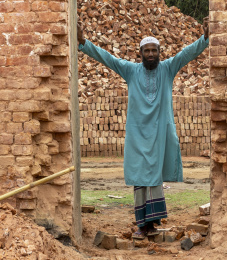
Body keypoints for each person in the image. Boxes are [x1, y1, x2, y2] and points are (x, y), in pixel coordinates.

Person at [77, 18, 209, 239]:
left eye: (154, 50)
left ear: (159, 52)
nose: (150, 54)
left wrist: (205, 38)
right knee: (140, 177)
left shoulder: (168, 68)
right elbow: (107, 59)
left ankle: (153, 223)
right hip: (137, 135)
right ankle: (142, 225)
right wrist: (84, 42)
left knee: (155, 176)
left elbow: (186, 54)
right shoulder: (130, 71)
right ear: (140, 53)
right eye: (146, 51)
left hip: (159, 133)